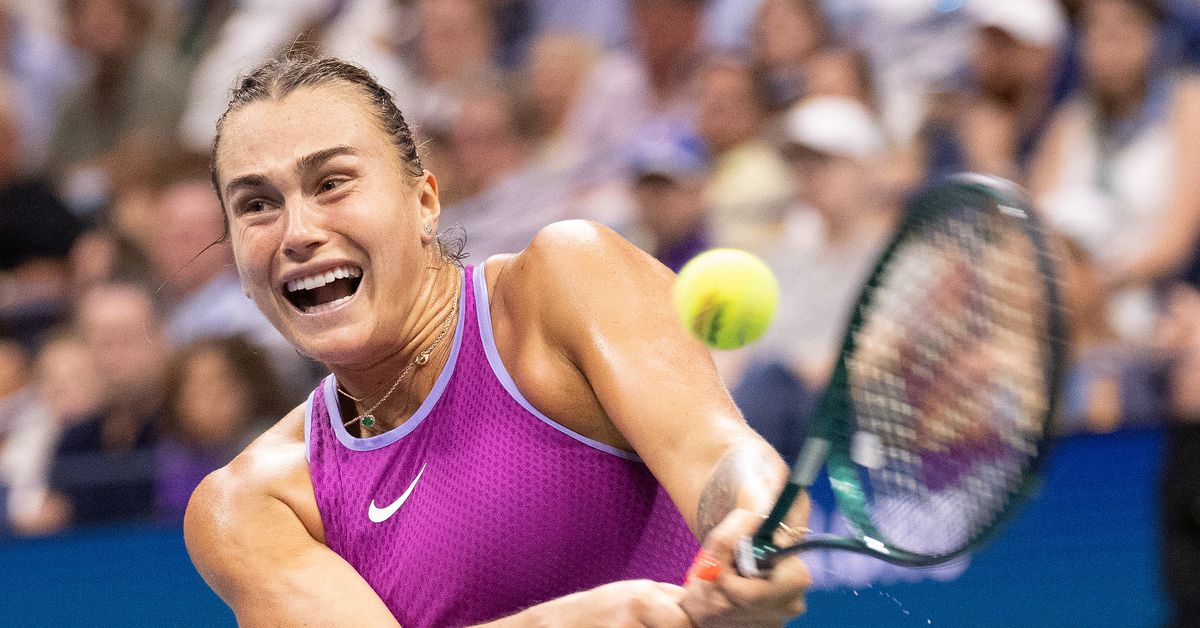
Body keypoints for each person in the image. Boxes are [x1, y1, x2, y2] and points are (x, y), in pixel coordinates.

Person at [184, 53, 810, 626]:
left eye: (331, 183)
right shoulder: (251, 504)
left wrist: (755, 516)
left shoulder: (568, 280)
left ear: (424, 202)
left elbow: (718, 452)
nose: (298, 233)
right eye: (256, 205)